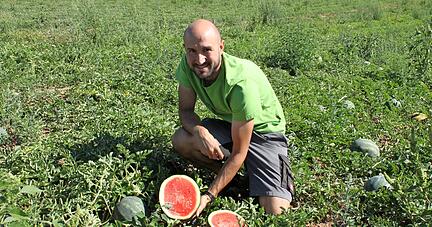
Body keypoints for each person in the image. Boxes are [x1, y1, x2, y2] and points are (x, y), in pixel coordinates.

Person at [171, 19, 294, 216]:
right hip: (233, 125)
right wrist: (200, 131)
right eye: (192, 51)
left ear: (221, 47)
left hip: (265, 135)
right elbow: (185, 111)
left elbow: (238, 152)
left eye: (206, 50)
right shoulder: (188, 66)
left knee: (275, 211)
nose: (199, 59)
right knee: (182, 139)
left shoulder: (241, 84)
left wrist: (210, 195)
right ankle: (237, 179)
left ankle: (276, 175)